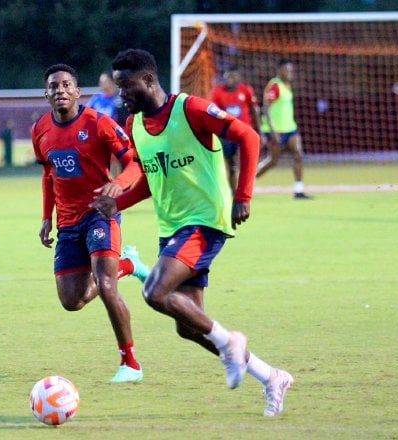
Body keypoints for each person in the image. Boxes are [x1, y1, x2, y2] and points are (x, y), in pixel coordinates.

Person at [90, 49, 293, 417]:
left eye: (126, 86)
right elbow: (152, 181)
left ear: (149, 81)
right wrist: (116, 204)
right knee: (188, 327)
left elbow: (248, 137)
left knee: (155, 292)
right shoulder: (136, 127)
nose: (120, 95)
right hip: (172, 228)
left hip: (205, 221)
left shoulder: (191, 109)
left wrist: (243, 195)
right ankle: (271, 376)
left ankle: (231, 342)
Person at [32, 63, 149, 383]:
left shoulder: (99, 123)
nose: (60, 90)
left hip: (100, 214)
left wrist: (118, 185)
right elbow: (48, 175)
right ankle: (129, 264)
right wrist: (47, 217)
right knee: (72, 301)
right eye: (54, 86)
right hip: (67, 224)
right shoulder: (40, 130)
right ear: (47, 94)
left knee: (106, 285)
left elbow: (133, 165)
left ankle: (130, 363)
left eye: (66, 85)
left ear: (77, 91)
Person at [257, 59, 310, 199]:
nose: (290, 73)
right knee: (273, 161)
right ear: (280, 70)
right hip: (276, 131)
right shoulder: (275, 86)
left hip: (290, 129)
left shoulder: (287, 85)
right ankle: (247, 182)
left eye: (291, 70)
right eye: (287, 70)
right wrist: (273, 131)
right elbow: (266, 108)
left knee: (298, 154)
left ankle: (299, 190)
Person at [211, 68, 260, 193]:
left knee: (242, 160)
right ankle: (233, 192)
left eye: (232, 77)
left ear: (238, 78)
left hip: (244, 132)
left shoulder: (246, 90)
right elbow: (214, 115)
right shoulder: (218, 93)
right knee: (231, 165)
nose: (229, 80)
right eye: (227, 77)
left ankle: (244, 189)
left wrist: (259, 131)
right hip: (227, 133)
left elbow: (254, 110)